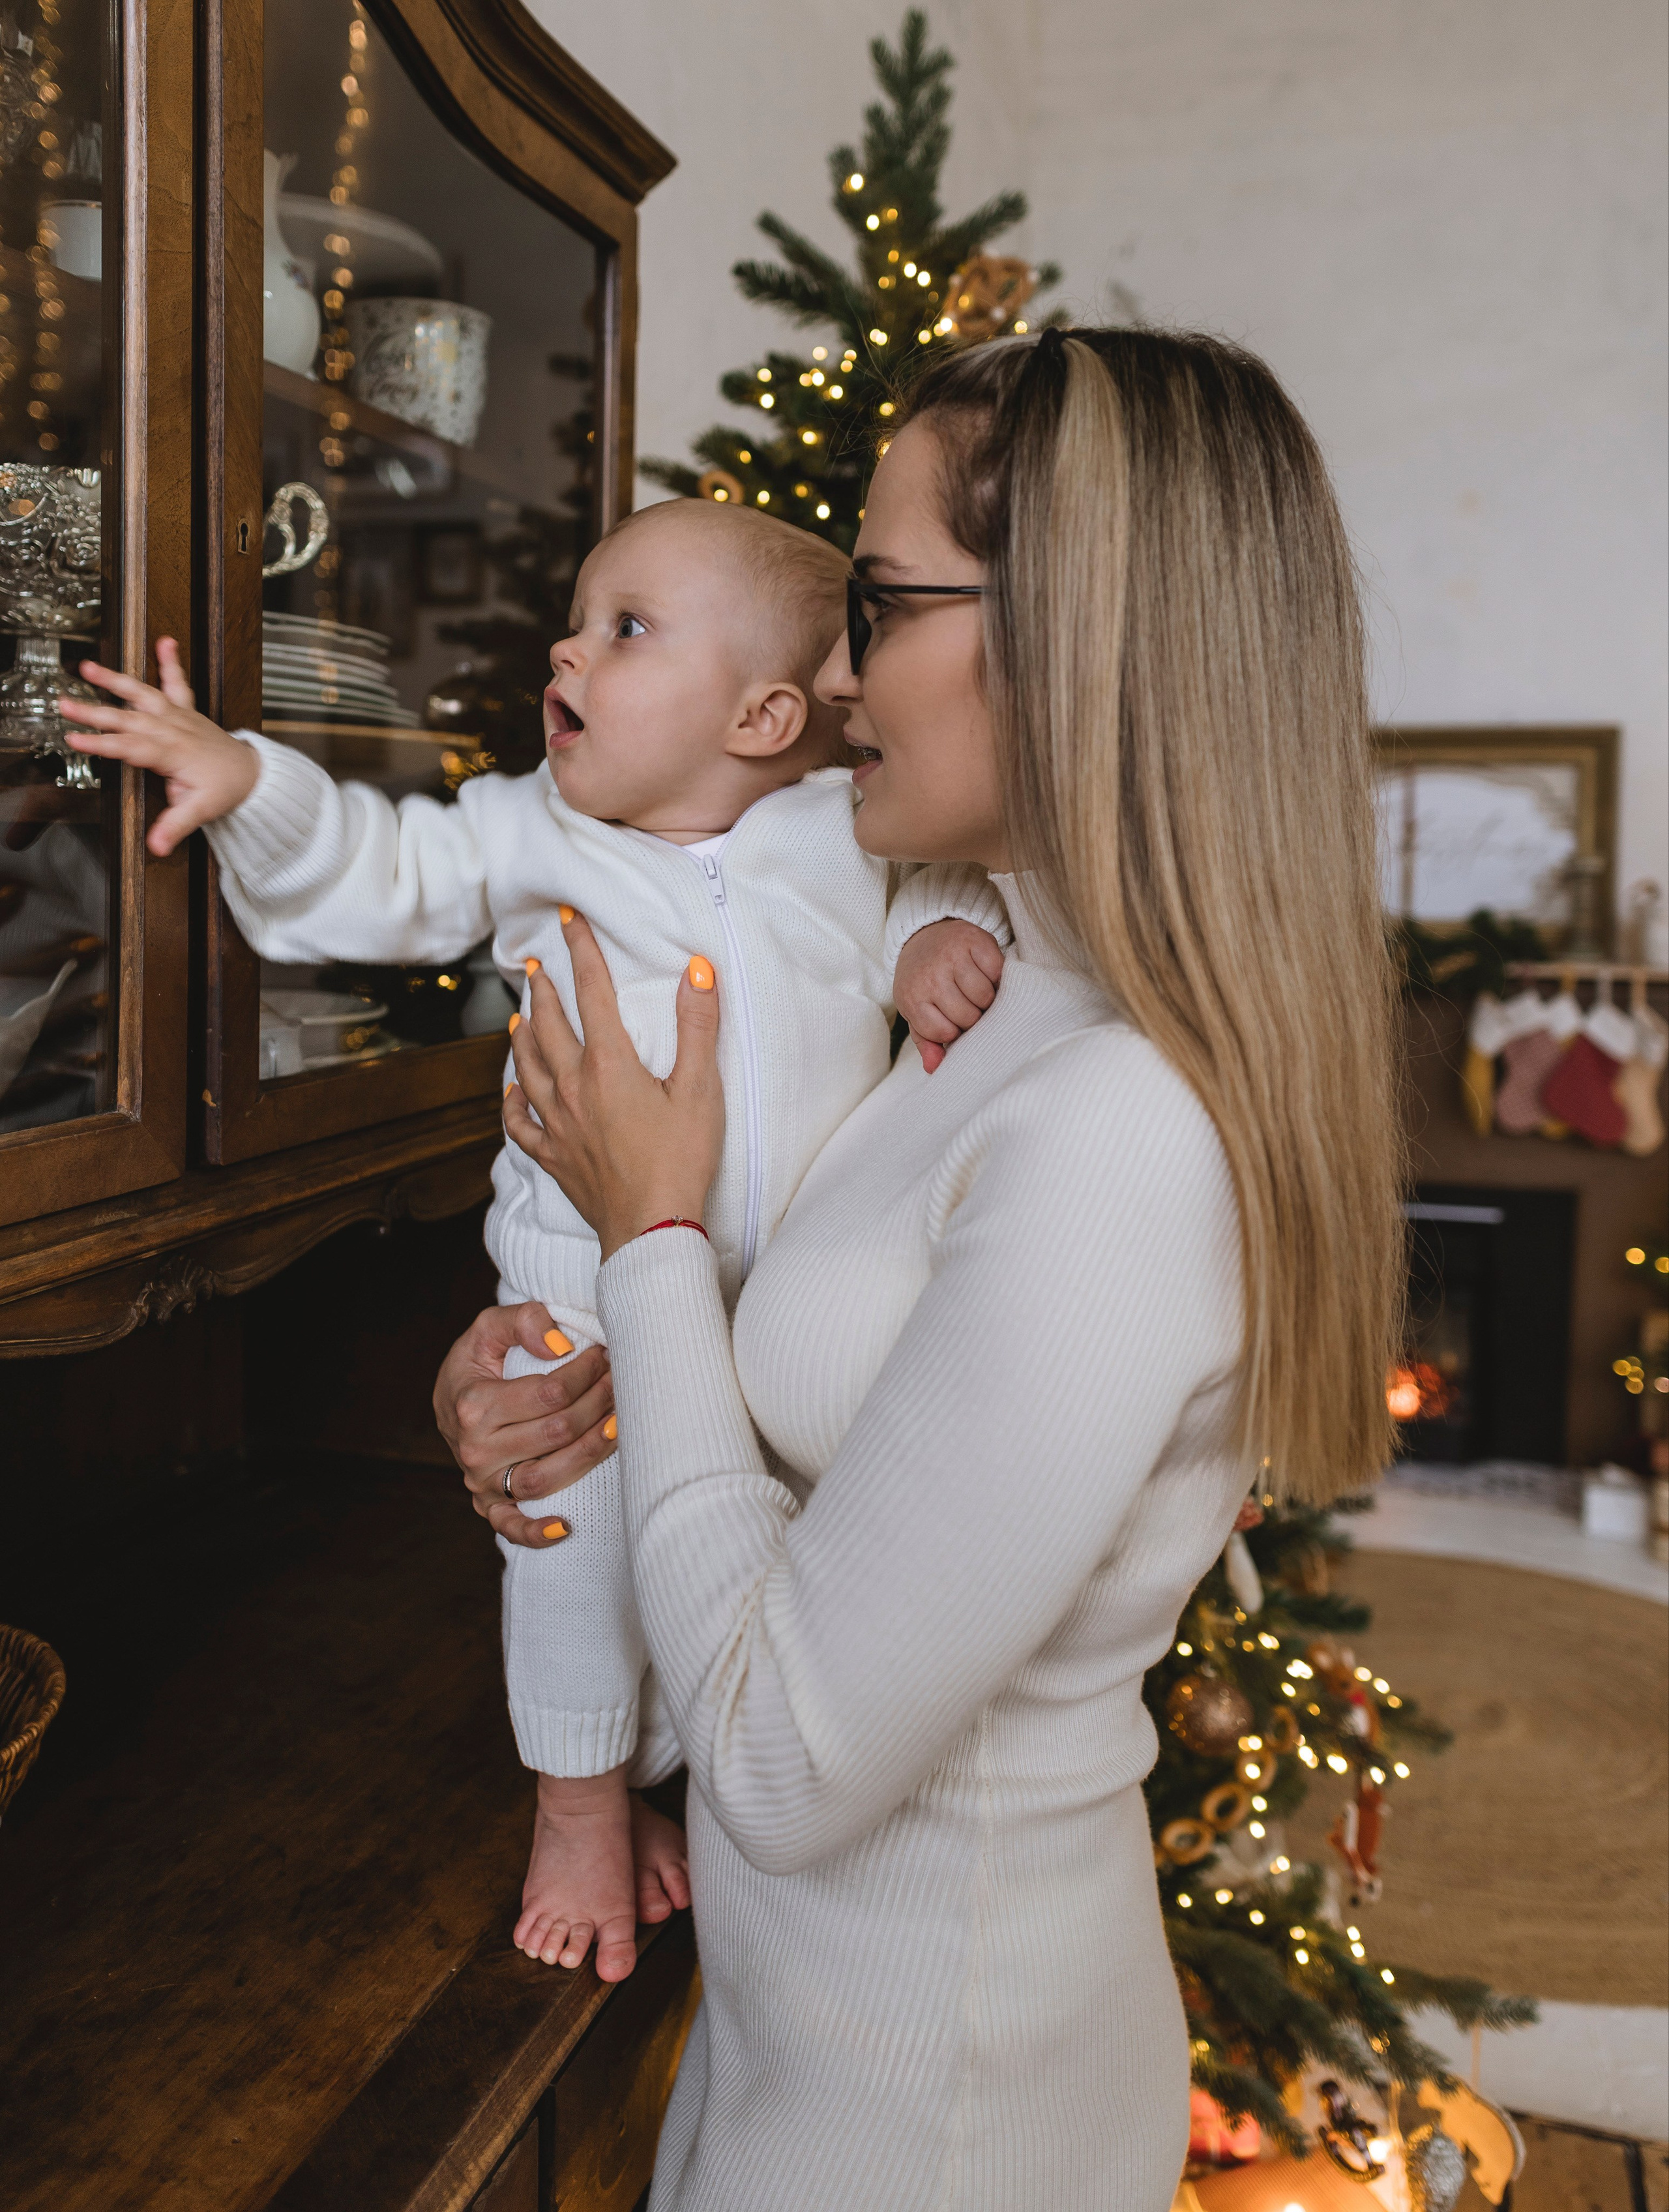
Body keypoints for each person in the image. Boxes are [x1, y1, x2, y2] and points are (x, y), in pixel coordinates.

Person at [434, 324, 1405, 2212]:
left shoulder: (1122, 1124)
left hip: (934, 2109)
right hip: (812, 2033)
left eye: (877, 605)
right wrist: (541, 1387)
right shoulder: (983, 1007)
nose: (833, 674)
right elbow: (798, 1394)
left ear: (1077, 632)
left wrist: (643, 1231)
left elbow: (791, 1764)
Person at [57, 497, 1012, 1986]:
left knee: (773, 1536)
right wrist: (247, 780)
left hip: (803, 1282)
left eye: (626, 627)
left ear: (765, 715)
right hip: (585, 1279)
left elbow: (923, 894)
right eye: (582, 616)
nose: (568, 643)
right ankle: (575, 1802)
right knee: (575, 1527)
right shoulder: (531, 831)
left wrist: (930, 951)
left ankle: (702, 1775)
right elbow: (384, 865)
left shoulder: (841, 830)